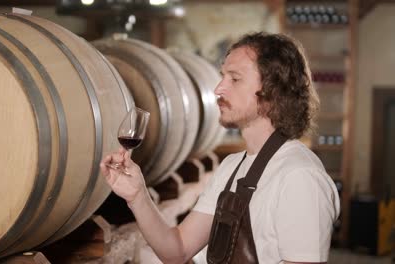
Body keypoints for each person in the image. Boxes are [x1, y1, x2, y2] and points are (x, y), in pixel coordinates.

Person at [100, 32, 340, 264]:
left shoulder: (299, 177)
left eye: (234, 79)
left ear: (273, 91)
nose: (218, 89)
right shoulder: (231, 167)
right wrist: (137, 196)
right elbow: (177, 250)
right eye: (222, 76)